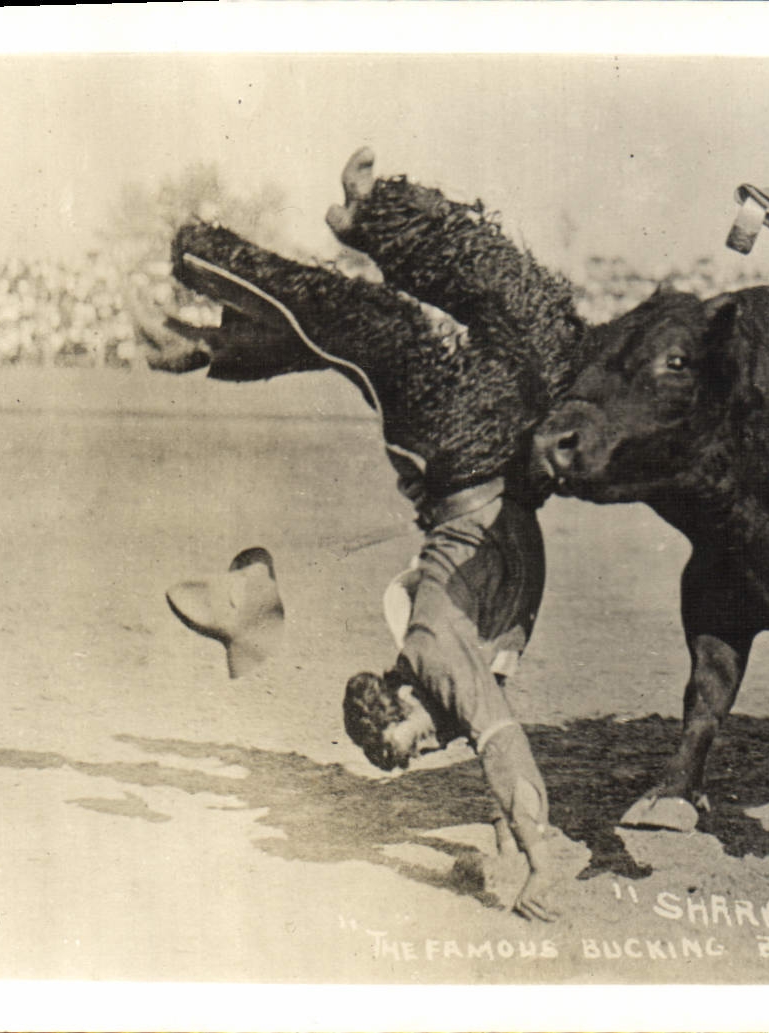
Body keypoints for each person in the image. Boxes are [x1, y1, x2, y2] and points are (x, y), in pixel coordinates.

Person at [139, 148, 591, 921]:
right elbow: (497, 751)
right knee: (537, 319)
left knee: (372, 329)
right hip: (499, 460)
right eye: (416, 755)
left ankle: (202, 252)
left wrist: (541, 858)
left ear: (401, 698)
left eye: (411, 743)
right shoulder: (458, 675)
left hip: (453, 454)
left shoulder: (436, 659)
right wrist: (509, 845)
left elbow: (503, 749)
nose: (428, 749)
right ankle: (337, 244)